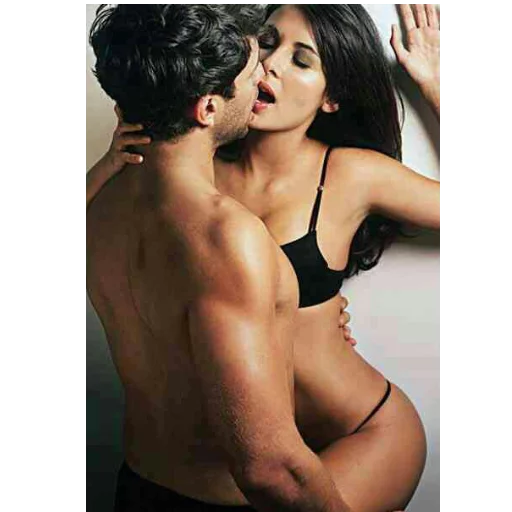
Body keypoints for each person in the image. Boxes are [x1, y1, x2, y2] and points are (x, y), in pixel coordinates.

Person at [87, 4, 440, 511]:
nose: (268, 65)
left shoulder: (349, 174)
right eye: (267, 44)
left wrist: (434, 84)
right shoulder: (182, 177)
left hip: (355, 430)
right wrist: (108, 161)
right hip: (250, 457)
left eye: (302, 60)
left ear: (332, 97)